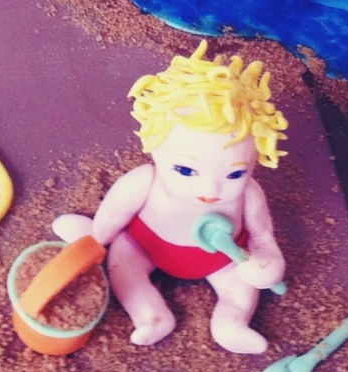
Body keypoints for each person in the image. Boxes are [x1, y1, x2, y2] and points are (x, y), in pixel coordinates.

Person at [52, 40, 288, 354]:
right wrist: (96, 239)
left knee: (241, 288)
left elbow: (262, 237)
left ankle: (231, 322)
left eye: (234, 174)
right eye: (186, 171)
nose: (210, 191)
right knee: (124, 268)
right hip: (145, 246)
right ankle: (150, 315)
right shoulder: (144, 181)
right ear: (155, 148)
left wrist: (267, 266)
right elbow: (116, 211)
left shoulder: (249, 194)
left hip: (223, 261)